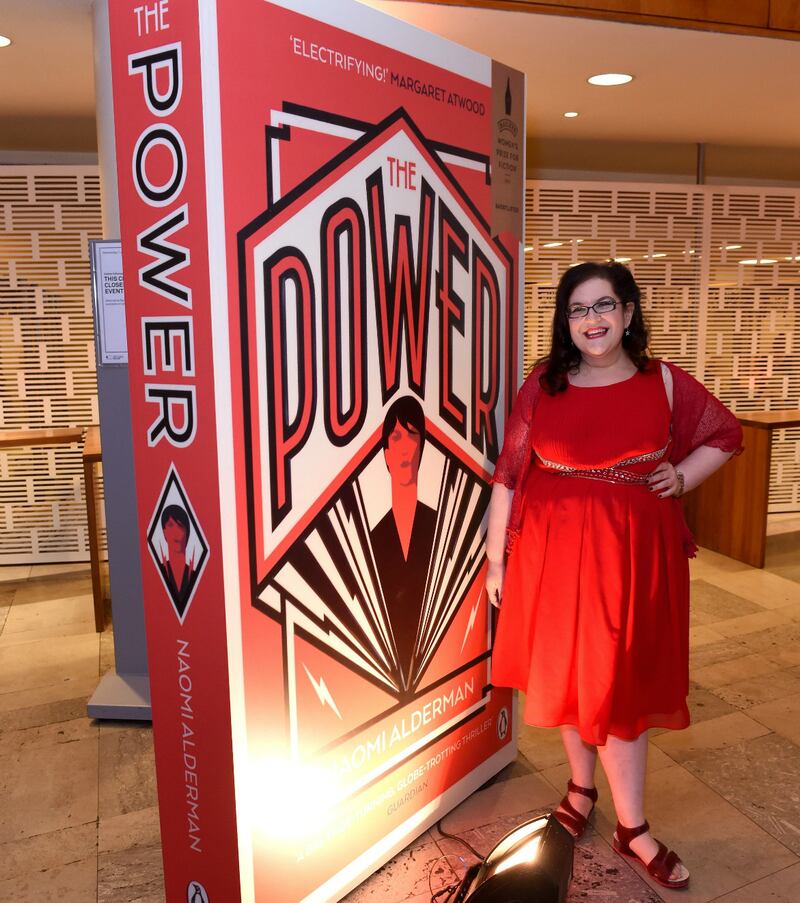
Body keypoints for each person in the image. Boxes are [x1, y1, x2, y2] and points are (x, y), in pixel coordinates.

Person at [486, 261, 743, 890]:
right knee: (573, 680)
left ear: (628, 313)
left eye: (604, 306)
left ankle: (633, 829)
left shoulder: (664, 385)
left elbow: (725, 433)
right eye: (577, 310)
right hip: (553, 561)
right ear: (564, 323)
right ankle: (580, 790)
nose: (592, 320)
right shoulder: (543, 386)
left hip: (632, 564)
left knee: (620, 691)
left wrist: (683, 476)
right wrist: (496, 559)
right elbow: (509, 475)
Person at [371, 396, 437, 694]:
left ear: (421, 447)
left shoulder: (438, 527)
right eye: (396, 436)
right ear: (385, 453)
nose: (405, 447)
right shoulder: (373, 538)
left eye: (412, 435)